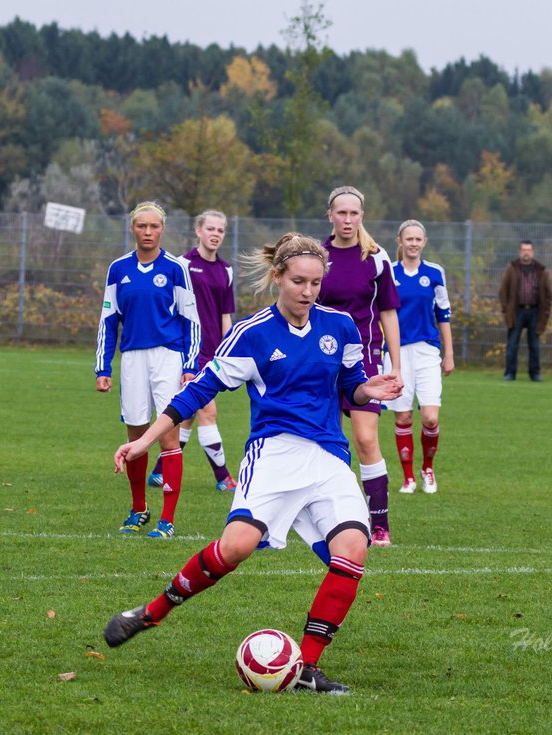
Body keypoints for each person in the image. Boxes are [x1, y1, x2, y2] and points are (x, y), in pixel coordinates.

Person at [103, 233, 404, 694]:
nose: (308, 291)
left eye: (316, 283)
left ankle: (306, 668)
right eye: (299, 281)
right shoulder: (251, 334)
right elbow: (197, 391)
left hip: (327, 456)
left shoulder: (340, 326)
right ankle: (152, 612)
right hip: (274, 454)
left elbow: (351, 385)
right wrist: (145, 439)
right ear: (278, 278)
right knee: (236, 548)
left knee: (353, 551)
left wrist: (368, 391)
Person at [94, 200, 200, 538]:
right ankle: (139, 509)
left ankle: (167, 520)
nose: (148, 232)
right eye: (142, 226)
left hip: (168, 357)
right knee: (136, 435)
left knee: (168, 436)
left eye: (154, 226)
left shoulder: (175, 268)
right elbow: (108, 320)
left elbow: (191, 320)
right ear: (133, 229)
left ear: (162, 229)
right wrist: (102, 366)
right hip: (132, 359)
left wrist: (190, 365)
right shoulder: (118, 269)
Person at [320, 186, 402, 545]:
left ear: (362, 216)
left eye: (354, 213)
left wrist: (395, 364)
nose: (348, 220)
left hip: (365, 359)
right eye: (341, 213)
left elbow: (388, 312)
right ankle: (332, 517)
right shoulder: (316, 256)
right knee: (325, 442)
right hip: (320, 360)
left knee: (366, 439)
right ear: (330, 216)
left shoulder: (377, 257)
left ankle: (379, 522)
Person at [148, 209, 238, 492]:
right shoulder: (182, 265)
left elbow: (226, 315)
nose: (215, 234)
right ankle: (223, 477)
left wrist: (229, 350)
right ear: (198, 231)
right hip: (189, 351)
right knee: (207, 412)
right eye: (210, 229)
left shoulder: (226, 270)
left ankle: (159, 471)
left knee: (187, 414)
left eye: (220, 230)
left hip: (213, 352)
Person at [386, 219, 453, 494]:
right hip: (396, 352)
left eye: (418, 239)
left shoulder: (435, 273)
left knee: (430, 419)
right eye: (408, 239)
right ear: (399, 242)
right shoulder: (388, 273)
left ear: (424, 242)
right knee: (402, 417)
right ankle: (408, 477)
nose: (413, 243)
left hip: (427, 351)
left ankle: (428, 469)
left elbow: (443, 313)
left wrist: (448, 354)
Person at [498, 239, 552, 382]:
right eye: (523, 250)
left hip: (535, 312)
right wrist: (506, 309)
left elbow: (548, 295)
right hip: (517, 311)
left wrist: (545, 312)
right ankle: (510, 373)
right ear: (520, 252)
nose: (526, 253)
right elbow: (503, 290)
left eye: (528, 250)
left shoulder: (541, 270)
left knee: (534, 345)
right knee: (512, 344)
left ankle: (535, 373)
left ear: (532, 252)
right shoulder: (512, 268)